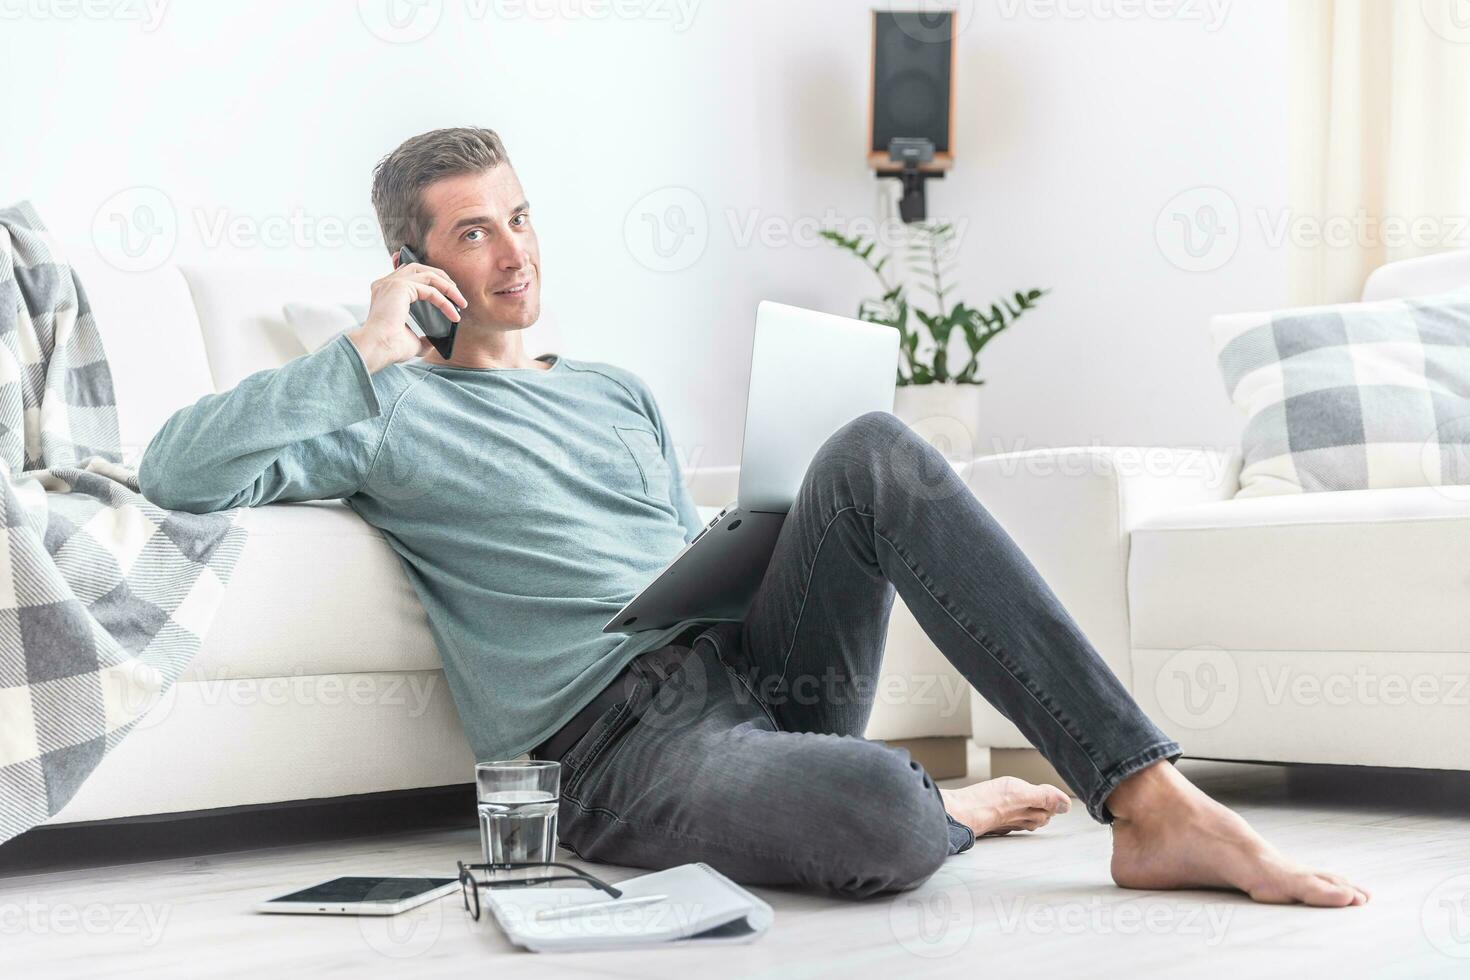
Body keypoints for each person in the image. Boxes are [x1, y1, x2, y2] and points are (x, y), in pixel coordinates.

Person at [139, 127, 1369, 905]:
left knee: (880, 447)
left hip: (744, 675)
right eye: (473, 232)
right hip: (613, 752)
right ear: (418, 267)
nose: (512, 251)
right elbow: (177, 468)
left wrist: (744, 556)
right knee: (888, 810)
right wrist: (360, 344)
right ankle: (944, 809)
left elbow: (683, 551)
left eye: (519, 215)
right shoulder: (381, 408)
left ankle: (1147, 798)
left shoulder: (614, 390)